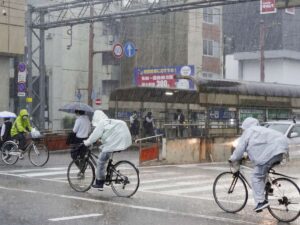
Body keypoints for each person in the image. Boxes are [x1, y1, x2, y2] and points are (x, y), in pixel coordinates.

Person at [229, 117, 289, 213]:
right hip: (281, 150)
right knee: (262, 170)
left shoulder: (249, 132)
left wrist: (232, 159)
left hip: (271, 153)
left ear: (246, 126)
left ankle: (260, 202)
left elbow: (240, 149)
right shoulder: (262, 130)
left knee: (255, 176)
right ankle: (268, 188)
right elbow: (259, 146)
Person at [83, 110, 132, 190]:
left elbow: (94, 136)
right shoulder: (107, 122)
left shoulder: (102, 123)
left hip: (113, 144)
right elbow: (108, 134)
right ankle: (106, 176)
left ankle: (100, 183)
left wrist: (86, 143)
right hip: (118, 140)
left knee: (100, 162)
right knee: (104, 156)